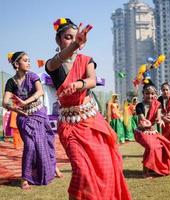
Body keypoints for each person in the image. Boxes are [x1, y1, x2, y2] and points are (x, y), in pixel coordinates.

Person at [45, 18, 131, 200]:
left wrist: (78, 84)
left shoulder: (86, 60)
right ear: (58, 40)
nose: (73, 40)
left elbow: (92, 80)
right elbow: (55, 62)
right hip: (70, 126)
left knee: (106, 166)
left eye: (76, 38)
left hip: (92, 122)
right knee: (82, 171)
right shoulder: (53, 64)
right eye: (68, 37)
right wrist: (75, 44)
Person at [2, 51, 56, 189]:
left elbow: (40, 92)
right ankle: (25, 178)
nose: (28, 63)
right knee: (30, 146)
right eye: (25, 60)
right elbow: (5, 102)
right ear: (16, 64)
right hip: (24, 117)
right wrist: (16, 109)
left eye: (29, 60)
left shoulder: (32, 76)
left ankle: (50, 169)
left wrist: (26, 102)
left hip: (38, 113)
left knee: (44, 142)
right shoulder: (11, 82)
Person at [134, 83, 170, 179]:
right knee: (151, 147)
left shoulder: (158, 105)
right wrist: (148, 123)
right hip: (141, 132)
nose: (150, 96)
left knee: (164, 146)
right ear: (143, 94)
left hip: (152, 131)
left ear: (155, 94)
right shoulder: (139, 105)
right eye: (147, 93)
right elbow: (144, 121)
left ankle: (155, 168)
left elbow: (158, 117)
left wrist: (160, 120)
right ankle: (145, 173)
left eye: (152, 94)